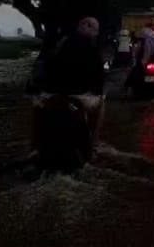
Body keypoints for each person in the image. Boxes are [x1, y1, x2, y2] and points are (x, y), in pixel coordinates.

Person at [34, 17, 106, 151]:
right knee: (101, 102)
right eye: (96, 30)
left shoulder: (59, 43)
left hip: (50, 94)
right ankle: (94, 143)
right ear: (92, 29)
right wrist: (98, 92)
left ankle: (34, 146)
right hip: (79, 97)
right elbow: (98, 79)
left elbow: (43, 66)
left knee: (37, 109)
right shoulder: (93, 50)